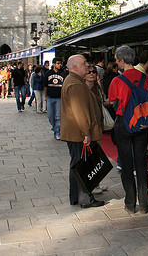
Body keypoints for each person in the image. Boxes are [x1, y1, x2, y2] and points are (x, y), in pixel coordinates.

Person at [108, 45, 148, 214]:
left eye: (116, 60)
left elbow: (113, 101)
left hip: (123, 124)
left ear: (121, 60)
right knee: (141, 162)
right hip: (141, 122)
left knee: (126, 164)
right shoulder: (144, 77)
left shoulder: (117, 80)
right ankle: (144, 202)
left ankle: (129, 203)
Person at [61, 54, 105, 209]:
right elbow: (80, 111)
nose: (87, 65)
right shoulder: (76, 84)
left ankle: (76, 196)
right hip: (79, 134)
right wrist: (86, 133)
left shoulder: (73, 81)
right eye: (84, 62)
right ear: (75, 67)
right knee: (83, 166)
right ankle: (85, 198)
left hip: (74, 133)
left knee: (77, 165)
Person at [85, 63, 110, 195]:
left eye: (94, 72)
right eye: (89, 72)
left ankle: (97, 181)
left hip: (98, 125)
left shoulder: (98, 88)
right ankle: (91, 182)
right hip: (88, 127)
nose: (92, 74)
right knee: (90, 156)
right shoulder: (82, 89)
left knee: (97, 155)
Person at [44, 58, 67, 140]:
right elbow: (45, 86)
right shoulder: (48, 73)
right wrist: (46, 96)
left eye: (60, 63)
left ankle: (57, 132)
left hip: (59, 97)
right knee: (50, 115)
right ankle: (54, 127)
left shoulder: (63, 74)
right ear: (53, 64)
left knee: (58, 116)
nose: (59, 65)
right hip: (50, 97)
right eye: (58, 63)